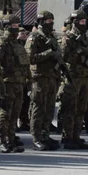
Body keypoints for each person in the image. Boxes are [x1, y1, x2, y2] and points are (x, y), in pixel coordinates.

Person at [27, 10, 65, 151]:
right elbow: (30, 58)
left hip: (52, 77)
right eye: (48, 21)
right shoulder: (35, 37)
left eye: (52, 20)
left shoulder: (52, 36)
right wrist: (48, 53)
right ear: (41, 22)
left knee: (49, 109)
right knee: (38, 108)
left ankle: (45, 134)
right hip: (40, 78)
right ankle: (36, 138)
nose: (51, 23)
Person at [0, 15, 28, 153]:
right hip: (6, 83)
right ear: (6, 26)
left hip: (18, 83)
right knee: (5, 113)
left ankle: (11, 140)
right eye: (14, 26)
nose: (17, 28)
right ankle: (2, 141)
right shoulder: (1, 42)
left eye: (17, 25)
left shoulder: (17, 43)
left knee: (15, 114)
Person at [57, 10, 88, 150]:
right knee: (70, 109)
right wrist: (79, 53)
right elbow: (65, 57)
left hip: (84, 76)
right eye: (80, 22)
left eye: (84, 21)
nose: (83, 24)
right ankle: (68, 137)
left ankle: (76, 136)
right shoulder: (68, 38)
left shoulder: (84, 38)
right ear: (74, 22)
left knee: (81, 109)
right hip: (72, 77)